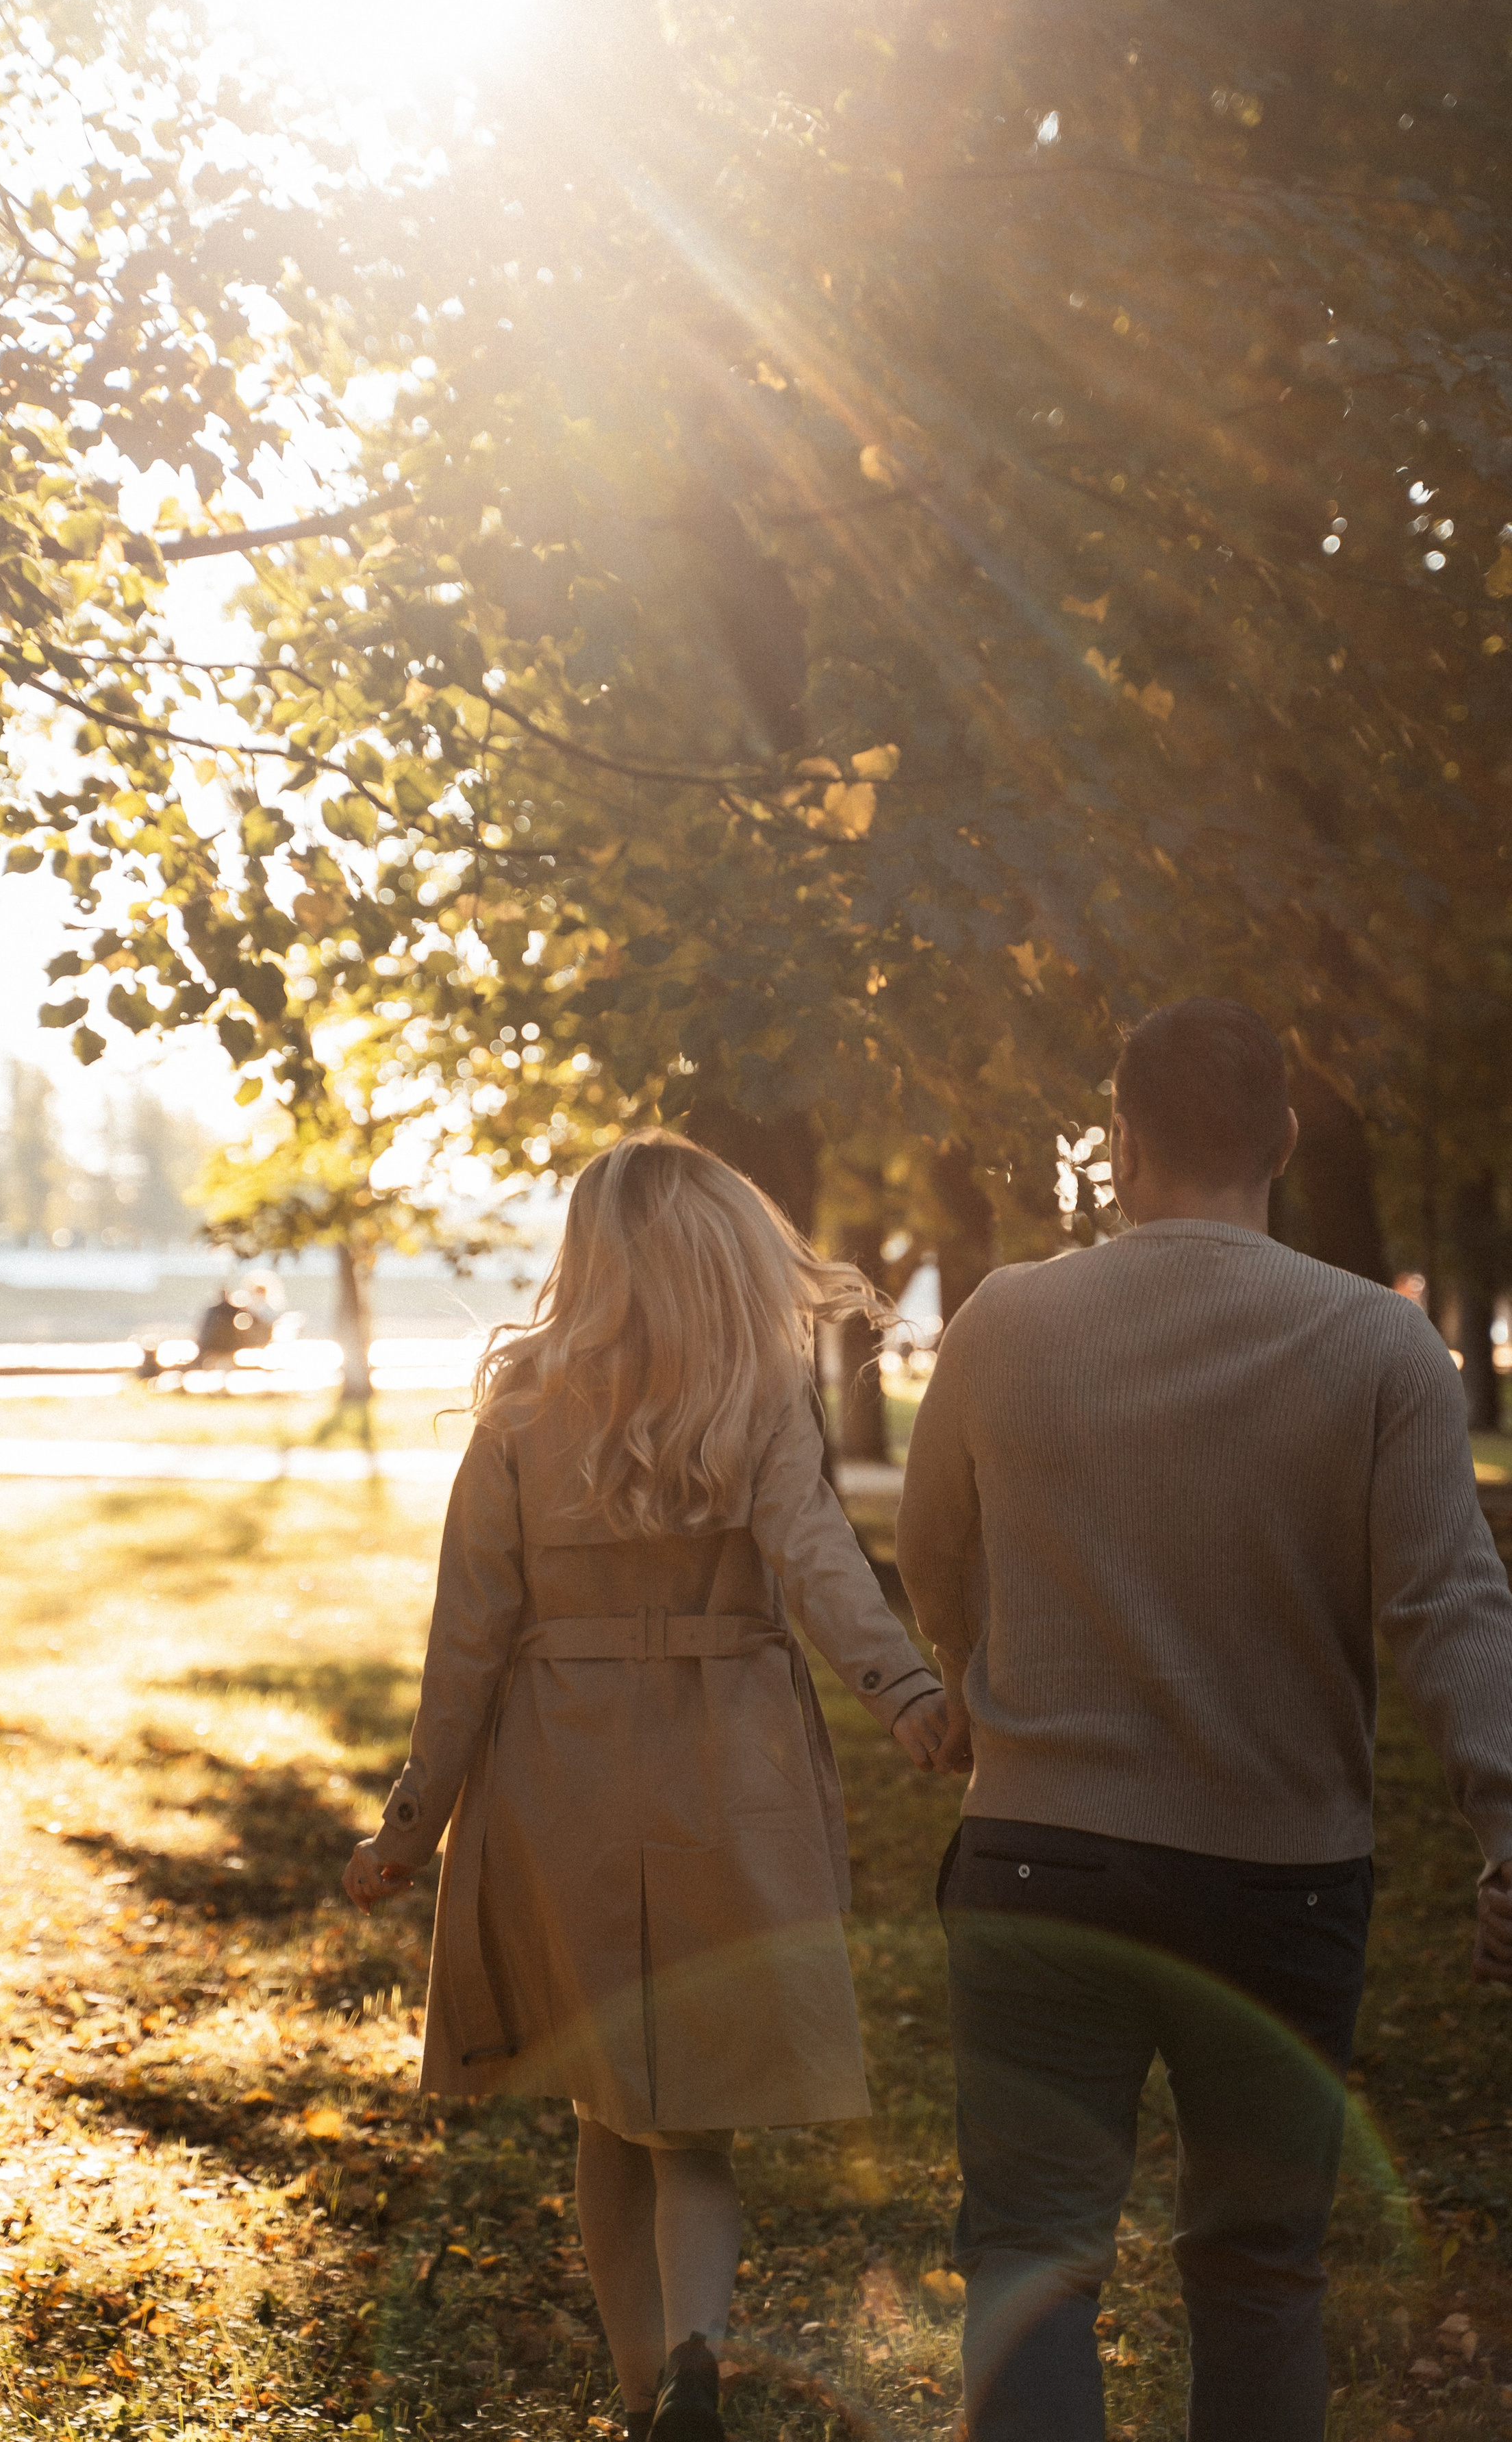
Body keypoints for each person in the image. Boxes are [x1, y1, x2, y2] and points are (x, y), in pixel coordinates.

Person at [898, 997, 1512, 2442]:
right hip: (1279, 1878)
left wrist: (969, 1672)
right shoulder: (1377, 1346)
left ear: (1116, 1143)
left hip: (1041, 1861)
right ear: (1284, 1144)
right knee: (1255, 2269)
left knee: (1033, 2258)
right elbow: (1446, 1608)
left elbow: (931, 1545)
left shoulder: (1003, 1321)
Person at [343, 1132, 950, 2441]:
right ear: (721, 1253)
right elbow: (822, 1564)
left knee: (607, 2108)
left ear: (592, 1259)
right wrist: (904, 1695)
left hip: (558, 1773)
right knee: (692, 2125)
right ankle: (691, 2354)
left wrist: (410, 1825)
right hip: (725, 1773)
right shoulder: (758, 1397)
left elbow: (466, 1642)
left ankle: (644, 2404)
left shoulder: (520, 1410)